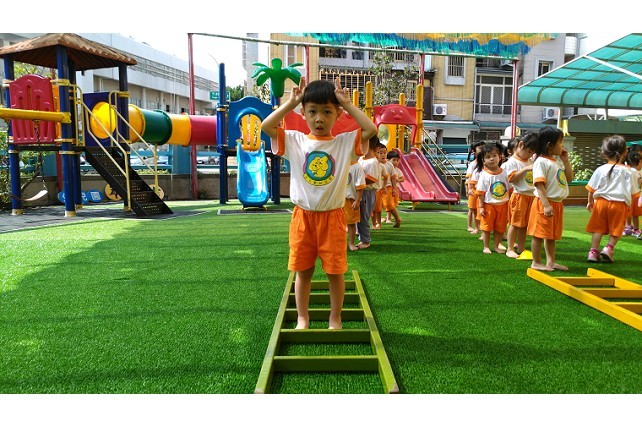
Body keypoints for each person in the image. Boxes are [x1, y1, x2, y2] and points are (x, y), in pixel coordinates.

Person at [261, 77, 377, 330]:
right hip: (303, 218)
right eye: (312, 112)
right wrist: (291, 103)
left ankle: (335, 317)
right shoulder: (295, 141)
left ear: (338, 114)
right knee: (303, 271)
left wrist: (348, 104)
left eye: (327, 112)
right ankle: (303, 317)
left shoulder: (344, 143)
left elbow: (370, 129)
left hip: (332, 217)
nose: (319, 119)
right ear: (303, 113)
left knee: (335, 272)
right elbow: (266, 125)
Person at [526, 126, 574, 271]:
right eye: (560, 142)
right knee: (539, 234)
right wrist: (546, 205)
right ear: (549, 145)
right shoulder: (541, 162)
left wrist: (566, 161)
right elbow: (539, 184)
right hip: (544, 203)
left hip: (557, 203)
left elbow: (569, 179)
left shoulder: (556, 161)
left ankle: (551, 262)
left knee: (551, 235)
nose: (563, 146)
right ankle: (536, 262)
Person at [585, 136, 639, 262]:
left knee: (598, 229)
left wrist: (590, 202)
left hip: (601, 203)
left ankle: (593, 252)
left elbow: (591, 189)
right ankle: (608, 248)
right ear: (625, 152)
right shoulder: (630, 172)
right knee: (617, 229)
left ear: (604, 153)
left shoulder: (600, 169)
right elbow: (634, 194)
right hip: (619, 205)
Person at [503, 132, 538, 258]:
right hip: (519, 196)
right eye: (529, 151)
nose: (530, 155)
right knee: (515, 223)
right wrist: (525, 169)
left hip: (531, 196)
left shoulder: (530, 160)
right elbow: (511, 178)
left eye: (532, 153)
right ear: (521, 145)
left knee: (524, 225)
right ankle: (510, 248)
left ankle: (521, 247)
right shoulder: (512, 162)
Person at [475, 143, 511, 254]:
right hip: (489, 206)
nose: (492, 159)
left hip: (503, 205)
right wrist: (481, 207)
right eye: (488, 157)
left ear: (500, 157)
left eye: (494, 156)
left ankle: (496, 246)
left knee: (500, 228)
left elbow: (509, 188)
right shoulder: (484, 175)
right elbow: (481, 193)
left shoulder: (504, 173)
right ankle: (486, 246)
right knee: (486, 228)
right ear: (483, 160)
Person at [356, 135, 381, 249]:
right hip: (360, 190)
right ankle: (361, 235)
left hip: (367, 192)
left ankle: (365, 241)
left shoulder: (373, 162)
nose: (360, 146)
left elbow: (371, 178)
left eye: (362, 144)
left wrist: (358, 180)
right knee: (358, 215)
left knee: (363, 216)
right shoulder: (361, 159)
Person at [345, 160, 366, 251]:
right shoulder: (339, 162)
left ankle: (351, 243)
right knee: (335, 223)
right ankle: (339, 243)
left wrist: (357, 200)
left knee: (351, 223)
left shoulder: (357, 167)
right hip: (337, 200)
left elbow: (360, 185)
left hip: (351, 199)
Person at [465, 141, 484, 233]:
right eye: (479, 148)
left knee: (479, 209)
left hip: (481, 189)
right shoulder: (473, 164)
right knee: (472, 209)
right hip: (473, 189)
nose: (482, 149)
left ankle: (479, 227)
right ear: (474, 151)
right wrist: (468, 189)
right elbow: (469, 177)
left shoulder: (485, 162)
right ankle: (471, 226)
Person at [623, 146, 642, 238]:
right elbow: (639, 182)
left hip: (627, 195)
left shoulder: (626, 170)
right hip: (635, 195)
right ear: (638, 163)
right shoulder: (636, 172)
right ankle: (636, 229)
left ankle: (628, 227)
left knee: (628, 213)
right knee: (635, 214)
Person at [371, 142, 388, 230]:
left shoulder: (382, 166)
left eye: (384, 153)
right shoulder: (371, 164)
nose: (382, 155)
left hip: (377, 190)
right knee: (372, 208)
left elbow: (386, 176)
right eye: (380, 152)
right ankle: (373, 223)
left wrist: (384, 186)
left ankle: (378, 223)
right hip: (370, 189)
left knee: (377, 208)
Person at [384, 150, 403, 226]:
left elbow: (394, 178)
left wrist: (394, 188)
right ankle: (377, 222)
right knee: (376, 206)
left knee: (389, 204)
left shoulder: (393, 168)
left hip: (389, 187)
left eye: (397, 160)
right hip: (380, 187)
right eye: (394, 160)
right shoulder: (380, 164)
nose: (396, 162)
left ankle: (394, 218)